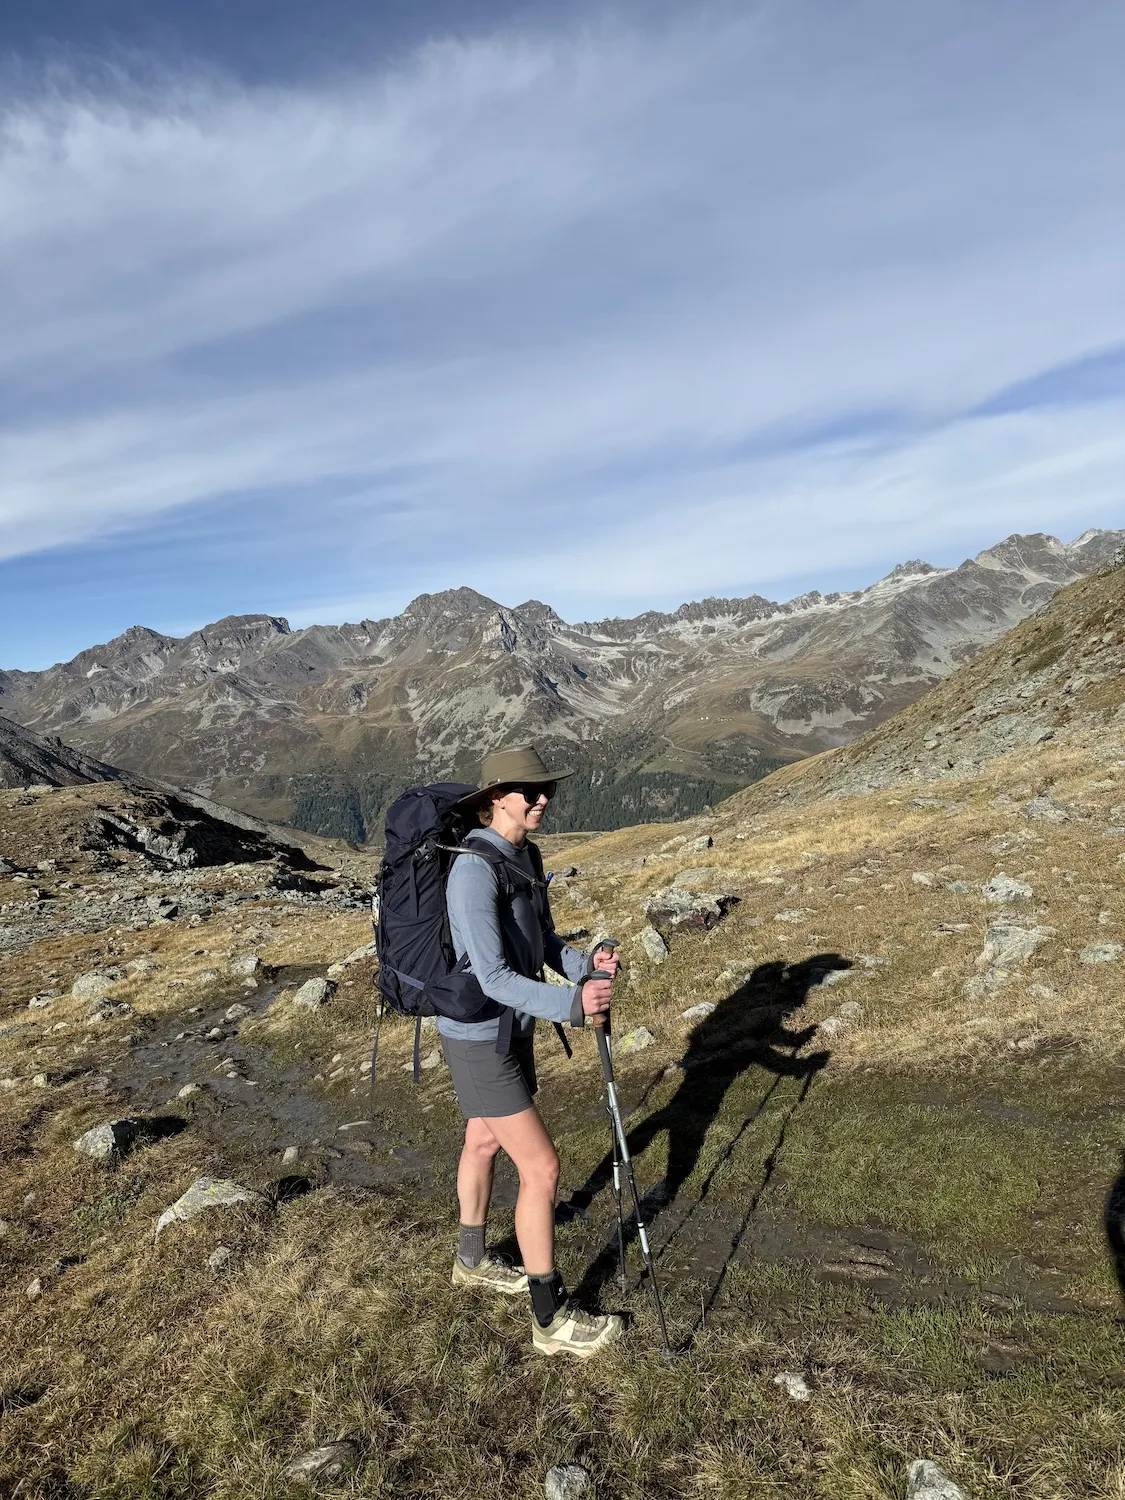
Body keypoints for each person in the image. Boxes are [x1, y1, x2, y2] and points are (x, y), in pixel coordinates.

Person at [441, 743, 624, 1358]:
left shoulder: (526, 854)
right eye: (530, 790)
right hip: (478, 1038)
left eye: (547, 789)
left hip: (510, 1030)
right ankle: (550, 1318)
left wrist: (583, 967)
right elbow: (491, 976)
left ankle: (470, 1263)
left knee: (483, 1139)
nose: (543, 799)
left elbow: (540, 940)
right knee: (542, 1169)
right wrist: (574, 1007)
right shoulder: (472, 868)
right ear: (497, 799)